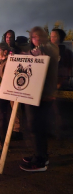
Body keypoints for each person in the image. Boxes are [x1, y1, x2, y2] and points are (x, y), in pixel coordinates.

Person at [20, 26, 59, 172]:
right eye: (33, 37)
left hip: (43, 95)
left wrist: (22, 55)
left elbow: (35, 56)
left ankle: (40, 161)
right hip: (37, 93)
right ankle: (40, 154)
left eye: (37, 36)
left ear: (44, 36)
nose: (35, 39)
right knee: (36, 127)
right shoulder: (44, 48)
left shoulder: (48, 49)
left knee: (36, 127)